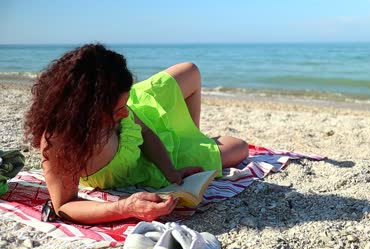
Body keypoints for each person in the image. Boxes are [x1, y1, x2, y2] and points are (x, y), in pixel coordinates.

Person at [24, 44, 248, 225]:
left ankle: (192, 136)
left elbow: (146, 131)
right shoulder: (59, 142)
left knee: (190, 70)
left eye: (125, 105)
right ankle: (193, 142)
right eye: (116, 111)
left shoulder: (121, 106)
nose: (125, 114)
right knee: (239, 148)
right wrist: (125, 207)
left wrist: (171, 172)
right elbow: (64, 206)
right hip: (142, 163)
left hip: (149, 119)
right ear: (86, 113)